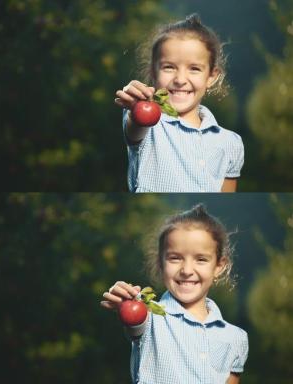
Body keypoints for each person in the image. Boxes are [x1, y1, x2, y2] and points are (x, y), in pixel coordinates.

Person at [100, 204, 248, 383]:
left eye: (201, 259)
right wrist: (127, 303)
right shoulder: (150, 319)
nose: (186, 270)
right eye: (175, 258)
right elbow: (135, 322)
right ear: (161, 264)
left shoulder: (235, 338)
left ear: (218, 266)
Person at [114, 14, 244, 192]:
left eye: (194, 68)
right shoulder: (151, 126)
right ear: (153, 71)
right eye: (169, 67)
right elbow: (135, 125)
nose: (180, 79)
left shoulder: (231, 143)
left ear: (212, 76)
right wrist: (136, 106)